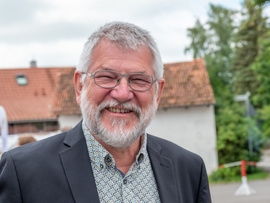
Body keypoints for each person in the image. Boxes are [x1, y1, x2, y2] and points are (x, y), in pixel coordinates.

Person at [0, 22, 211, 202]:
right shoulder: (22, 172)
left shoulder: (189, 170)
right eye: (106, 76)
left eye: (139, 80)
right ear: (80, 86)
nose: (122, 93)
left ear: (158, 92)